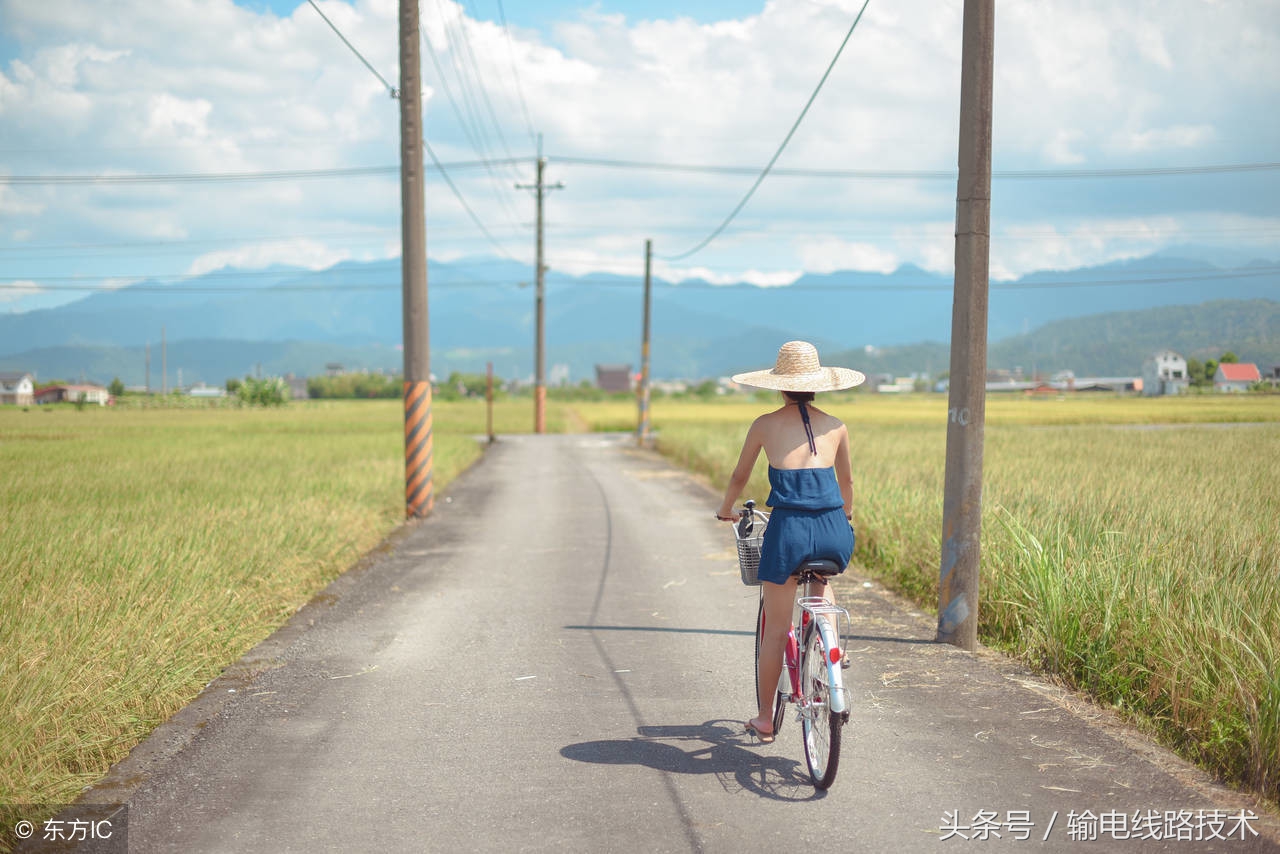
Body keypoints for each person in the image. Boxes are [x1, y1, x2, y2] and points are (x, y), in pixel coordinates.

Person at [715, 340, 864, 743]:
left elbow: (738, 477)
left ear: (779, 386)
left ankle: (765, 718)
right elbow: (847, 484)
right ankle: (834, 647)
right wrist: (844, 518)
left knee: (776, 630)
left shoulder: (765, 424)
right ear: (818, 385)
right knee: (822, 581)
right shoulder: (837, 425)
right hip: (833, 528)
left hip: (789, 532)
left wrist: (726, 508)